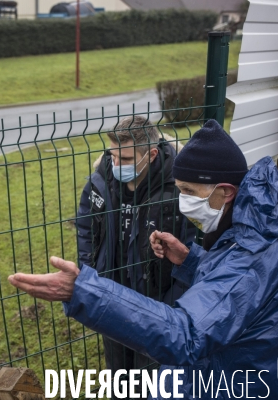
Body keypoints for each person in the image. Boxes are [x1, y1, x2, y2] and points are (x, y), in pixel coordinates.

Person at [9, 120, 278, 398]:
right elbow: (238, 292)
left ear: (225, 192)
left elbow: (186, 335)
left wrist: (83, 291)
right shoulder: (273, 226)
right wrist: (191, 261)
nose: (183, 201)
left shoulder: (253, 254)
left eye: (189, 191)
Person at [76, 116, 194, 398]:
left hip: (156, 304)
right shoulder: (100, 182)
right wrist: (90, 274)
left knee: (152, 378)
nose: (117, 165)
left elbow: (191, 244)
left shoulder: (178, 189)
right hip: (110, 295)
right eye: (113, 156)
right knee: (119, 376)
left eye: (126, 158)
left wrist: (174, 298)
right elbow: (85, 228)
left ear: (151, 154)